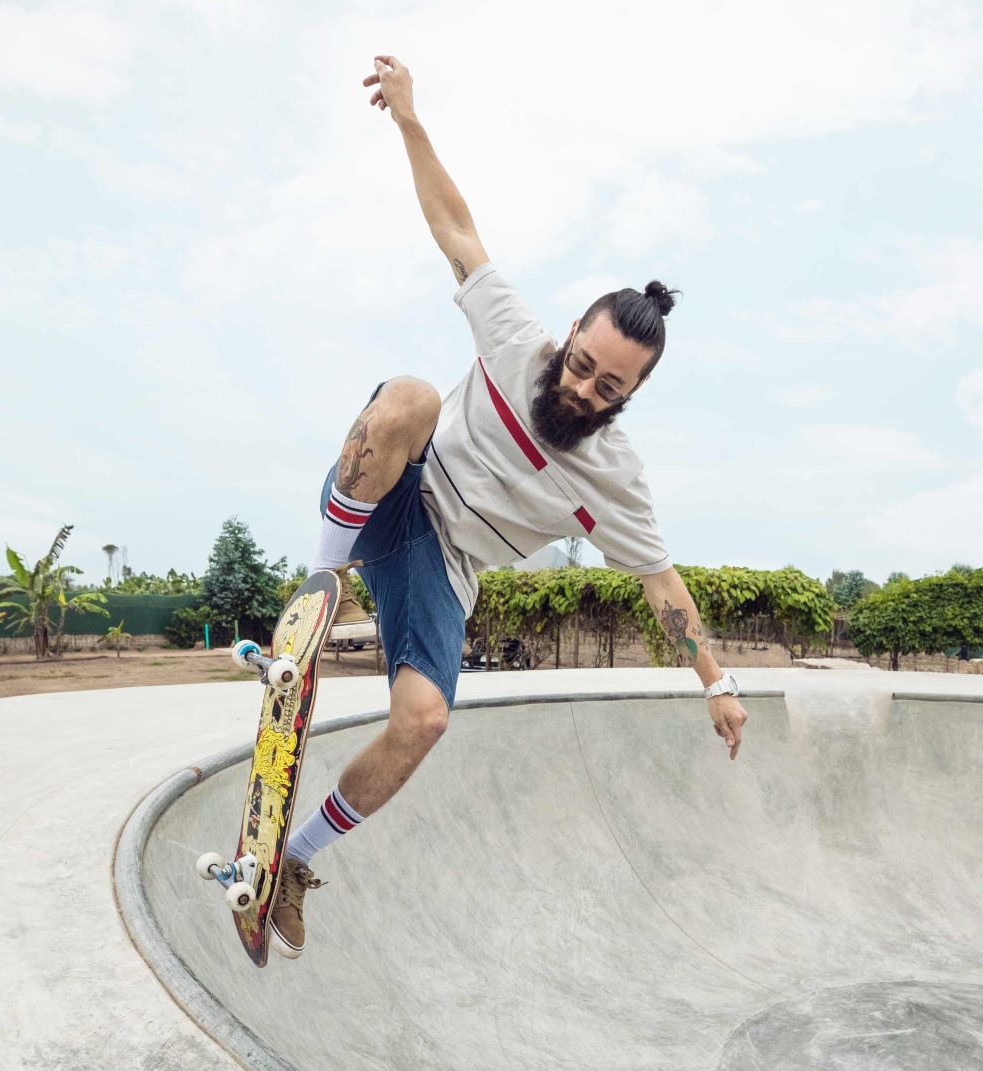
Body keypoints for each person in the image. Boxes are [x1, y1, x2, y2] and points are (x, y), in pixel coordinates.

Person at [266, 54, 750, 959]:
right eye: (581, 365)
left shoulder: (616, 480)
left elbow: (662, 587)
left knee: (425, 722)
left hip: (442, 571)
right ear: (568, 335)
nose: (583, 390)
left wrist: (715, 683)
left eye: (609, 389)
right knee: (409, 395)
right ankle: (319, 589)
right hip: (399, 495)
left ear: (631, 395)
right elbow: (454, 226)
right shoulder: (514, 339)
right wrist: (410, 117)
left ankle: (293, 864)